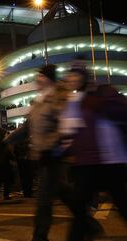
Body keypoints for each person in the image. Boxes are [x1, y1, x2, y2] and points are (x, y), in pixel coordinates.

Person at [5, 65, 80, 241]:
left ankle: (39, 237)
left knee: (43, 200)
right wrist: (8, 139)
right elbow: (28, 126)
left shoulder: (58, 97)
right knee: (63, 192)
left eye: (40, 76)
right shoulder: (39, 101)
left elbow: (64, 125)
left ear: (47, 78)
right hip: (43, 156)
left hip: (54, 155)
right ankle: (88, 221)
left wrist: (50, 146)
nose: (37, 79)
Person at [58, 67, 127, 241]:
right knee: (80, 209)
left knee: (122, 204)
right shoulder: (74, 102)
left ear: (83, 77)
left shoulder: (100, 93)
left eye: (75, 75)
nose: (72, 79)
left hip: (108, 161)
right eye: (70, 76)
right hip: (87, 163)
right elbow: (69, 132)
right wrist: (61, 151)